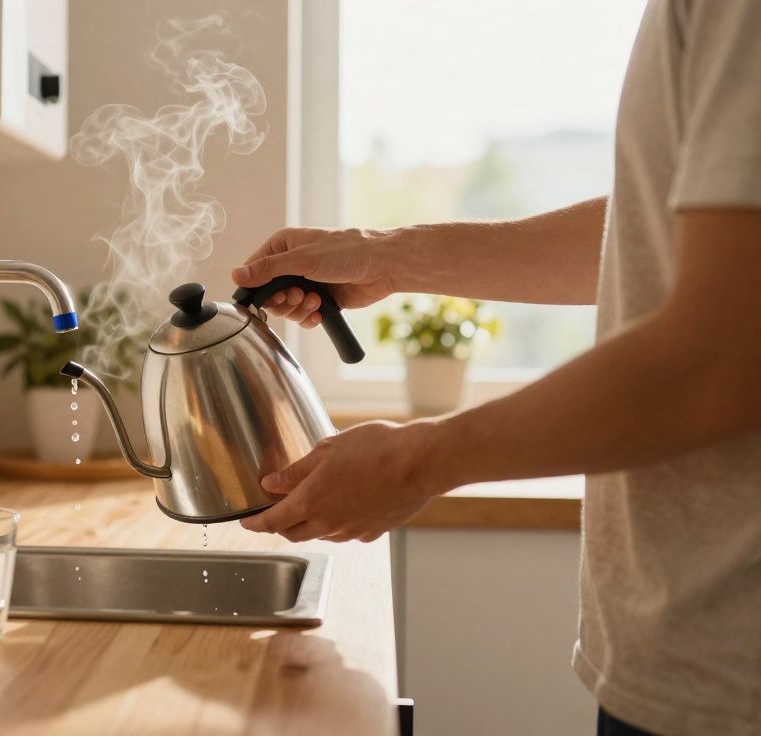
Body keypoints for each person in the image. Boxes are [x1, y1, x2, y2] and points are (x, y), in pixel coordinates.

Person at [232, 2, 761, 735]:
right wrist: (387, 253)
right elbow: (654, 230)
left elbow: (723, 355)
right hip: (687, 651)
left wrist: (418, 461)